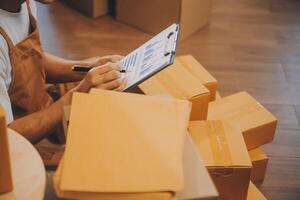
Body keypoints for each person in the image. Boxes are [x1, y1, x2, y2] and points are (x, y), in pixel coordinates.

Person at [0, 0, 127, 149]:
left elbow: (32, 60)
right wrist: (75, 96)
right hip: (24, 145)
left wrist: (87, 67)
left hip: (42, 107)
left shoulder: (23, 4)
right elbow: (6, 140)